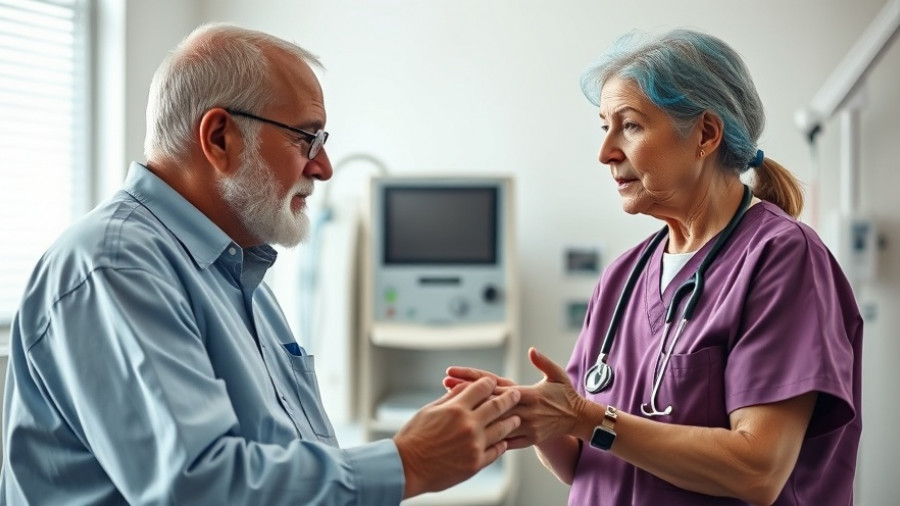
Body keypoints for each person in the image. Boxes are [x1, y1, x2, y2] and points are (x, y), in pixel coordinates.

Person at [0, 23, 521, 505]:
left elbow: (278, 454)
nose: (323, 166)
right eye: (306, 138)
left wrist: (423, 444)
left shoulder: (237, 268)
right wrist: (408, 461)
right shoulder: (115, 268)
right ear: (220, 137)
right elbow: (197, 487)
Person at [445, 28, 862, 505]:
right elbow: (585, 463)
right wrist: (540, 418)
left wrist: (584, 416)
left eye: (631, 126)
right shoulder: (623, 277)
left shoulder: (782, 258)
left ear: (705, 134)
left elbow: (757, 468)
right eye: (604, 127)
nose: (605, 153)